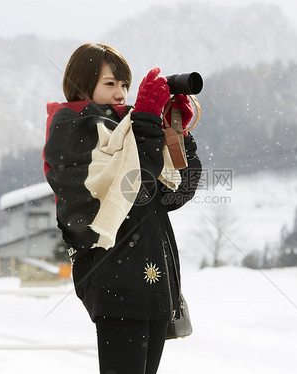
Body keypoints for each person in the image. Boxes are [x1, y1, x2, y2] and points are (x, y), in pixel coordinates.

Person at [42, 43, 202, 374]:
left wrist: (176, 132)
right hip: (114, 279)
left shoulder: (129, 130)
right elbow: (134, 188)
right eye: (110, 83)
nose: (120, 93)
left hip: (153, 283)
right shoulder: (71, 125)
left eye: (125, 84)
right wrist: (144, 119)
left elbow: (174, 194)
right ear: (83, 85)